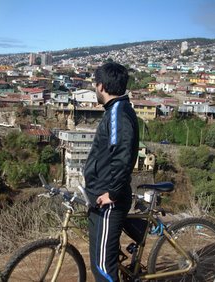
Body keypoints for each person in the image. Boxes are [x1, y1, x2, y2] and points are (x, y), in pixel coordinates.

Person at [84, 62, 142, 282]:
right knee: (101, 260)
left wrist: (113, 193)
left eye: (94, 85)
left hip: (108, 200)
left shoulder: (118, 113)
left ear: (101, 86)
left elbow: (122, 155)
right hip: (101, 197)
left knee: (103, 269)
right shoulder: (115, 110)